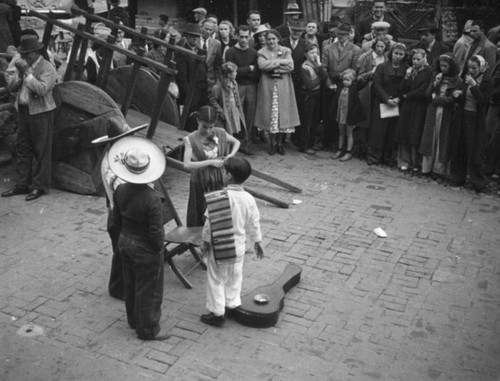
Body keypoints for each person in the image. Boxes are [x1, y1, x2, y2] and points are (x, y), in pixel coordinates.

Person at [109, 136, 169, 341]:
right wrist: (159, 250)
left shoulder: (120, 190)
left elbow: (114, 221)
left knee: (131, 283)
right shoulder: (152, 198)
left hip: (125, 241)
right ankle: (147, 329)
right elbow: (156, 231)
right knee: (149, 290)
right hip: (145, 248)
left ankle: (133, 320)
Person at [199, 156, 264, 326]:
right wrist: (257, 241)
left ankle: (217, 312)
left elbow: (209, 224)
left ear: (228, 176)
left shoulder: (219, 196)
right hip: (238, 247)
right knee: (235, 276)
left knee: (216, 278)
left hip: (220, 246)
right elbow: (253, 222)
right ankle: (232, 304)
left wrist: (204, 243)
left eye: (223, 171)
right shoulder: (249, 198)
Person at [91, 117, 148, 301]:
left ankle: (122, 284)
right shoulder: (110, 163)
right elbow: (122, 190)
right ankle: (117, 287)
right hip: (119, 213)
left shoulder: (122, 155)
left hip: (123, 210)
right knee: (121, 251)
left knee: (123, 251)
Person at [1, 35, 57, 201]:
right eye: (23, 54)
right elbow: (11, 88)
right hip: (24, 111)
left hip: (41, 113)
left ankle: (39, 186)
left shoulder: (47, 68)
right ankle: (22, 184)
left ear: (34, 53)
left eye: (26, 54)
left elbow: (42, 89)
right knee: (23, 148)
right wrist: (17, 77)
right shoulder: (22, 66)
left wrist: (27, 72)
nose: (23, 57)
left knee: (41, 150)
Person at [183, 105, 240, 227]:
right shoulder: (190, 139)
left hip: (219, 179)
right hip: (200, 181)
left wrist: (231, 155)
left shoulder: (220, 133)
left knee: (219, 215)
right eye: (204, 126)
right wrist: (210, 162)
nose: (208, 130)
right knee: (200, 212)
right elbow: (187, 164)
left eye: (211, 127)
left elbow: (236, 142)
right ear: (198, 121)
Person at [450, 55, 493, 193]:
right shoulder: (467, 77)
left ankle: (477, 182)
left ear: (481, 67)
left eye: (474, 68)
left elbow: (482, 102)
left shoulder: (487, 81)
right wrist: (456, 94)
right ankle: (458, 179)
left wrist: (474, 86)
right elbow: (463, 95)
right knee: (460, 146)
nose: (471, 70)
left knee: (474, 150)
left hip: (476, 119)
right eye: (470, 67)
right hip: (463, 116)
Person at [254, 29, 300, 156]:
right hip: (269, 87)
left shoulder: (286, 50)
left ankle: (280, 144)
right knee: (271, 115)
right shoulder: (262, 52)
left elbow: (291, 66)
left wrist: (273, 64)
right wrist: (281, 62)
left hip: (283, 86)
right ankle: (272, 144)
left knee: (282, 115)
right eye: (269, 39)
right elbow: (262, 66)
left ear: (278, 39)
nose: (271, 41)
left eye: (273, 38)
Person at [420, 54, 463, 181]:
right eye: (441, 65)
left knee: (442, 140)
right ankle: (426, 168)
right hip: (433, 111)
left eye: (445, 66)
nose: (443, 68)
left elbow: (454, 98)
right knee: (430, 139)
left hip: (446, 113)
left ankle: (439, 170)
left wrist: (439, 99)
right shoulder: (436, 76)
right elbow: (428, 94)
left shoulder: (457, 80)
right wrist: (435, 83)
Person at [321, 22, 361, 151]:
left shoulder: (355, 49)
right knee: (329, 113)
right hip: (331, 83)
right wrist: (329, 84)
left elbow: (354, 70)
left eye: (344, 35)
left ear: (349, 35)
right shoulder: (328, 48)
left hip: (346, 84)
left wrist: (345, 79)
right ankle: (327, 143)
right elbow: (324, 68)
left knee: (344, 115)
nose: (341, 37)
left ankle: (342, 146)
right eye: (339, 34)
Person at [367, 42, 408, 167]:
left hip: (396, 103)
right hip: (382, 102)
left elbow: (406, 87)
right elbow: (377, 85)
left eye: (401, 54)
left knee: (392, 132)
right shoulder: (382, 67)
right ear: (391, 54)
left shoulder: (406, 69)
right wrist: (386, 99)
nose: (398, 56)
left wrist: (398, 99)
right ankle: (374, 157)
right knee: (378, 131)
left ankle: (388, 157)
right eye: (396, 53)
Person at [395, 48, 433, 173]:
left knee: (415, 133)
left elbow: (423, 89)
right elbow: (402, 89)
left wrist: (408, 95)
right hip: (408, 106)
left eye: (418, 59)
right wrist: (406, 77)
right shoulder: (410, 71)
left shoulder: (428, 72)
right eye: (414, 59)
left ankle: (416, 162)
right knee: (405, 132)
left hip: (419, 106)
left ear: (424, 59)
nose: (415, 62)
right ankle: (405, 161)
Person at [226, 25, 260, 151]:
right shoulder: (230, 52)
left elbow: (256, 72)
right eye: (241, 37)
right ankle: (234, 143)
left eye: (246, 37)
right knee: (235, 115)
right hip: (237, 86)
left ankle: (246, 143)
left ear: (250, 37)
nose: (244, 40)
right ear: (236, 36)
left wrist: (242, 71)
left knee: (250, 116)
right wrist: (249, 69)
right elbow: (231, 72)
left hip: (251, 87)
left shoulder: (254, 53)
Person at [176, 23, 208, 132]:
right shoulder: (183, 52)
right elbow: (182, 77)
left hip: (201, 91)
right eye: (192, 36)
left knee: (199, 119)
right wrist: (188, 93)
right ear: (186, 36)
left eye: (197, 37)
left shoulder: (198, 51)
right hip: (191, 92)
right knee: (190, 120)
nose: (195, 39)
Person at [298, 42, 328, 154]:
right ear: (306, 54)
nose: (314, 55)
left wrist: (319, 65)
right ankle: (304, 145)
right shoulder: (304, 67)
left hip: (317, 94)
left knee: (315, 120)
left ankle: (312, 142)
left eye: (316, 52)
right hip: (307, 96)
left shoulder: (317, 65)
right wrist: (320, 76)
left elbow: (325, 77)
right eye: (312, 52)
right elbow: (310, 84)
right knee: (307, 121)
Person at [331, 69, 365, 161]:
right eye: (344, 79)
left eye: (348, 80)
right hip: (340, 113)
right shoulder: (340, 86)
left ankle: (348, 151)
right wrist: (340, 74)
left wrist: (360, 77)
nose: (345, 82)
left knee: (349, 133)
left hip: (349, 115)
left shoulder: (354, 88)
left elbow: (363, 82)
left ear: (352, 80)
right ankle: (340, 149)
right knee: (341, 132)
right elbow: (333, 77)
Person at [209, 61, 247, 140]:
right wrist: (221, 111)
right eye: (235, 72)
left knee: (232, 131)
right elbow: (213, 101)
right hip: (225, 113)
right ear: (229, 75)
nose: (236, 73)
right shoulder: (217, 87)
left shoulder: (234, 83)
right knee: (223, 133)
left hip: (233, 110)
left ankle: (230, 147)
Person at [200, 19, 222, 88]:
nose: (208, 32)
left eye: (210, 30)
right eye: (206, 29)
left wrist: (216, 81)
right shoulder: (194, 41)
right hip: (194, 79)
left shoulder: (216, 44)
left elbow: (217, 65)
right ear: (201, 27)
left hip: (210, 80)